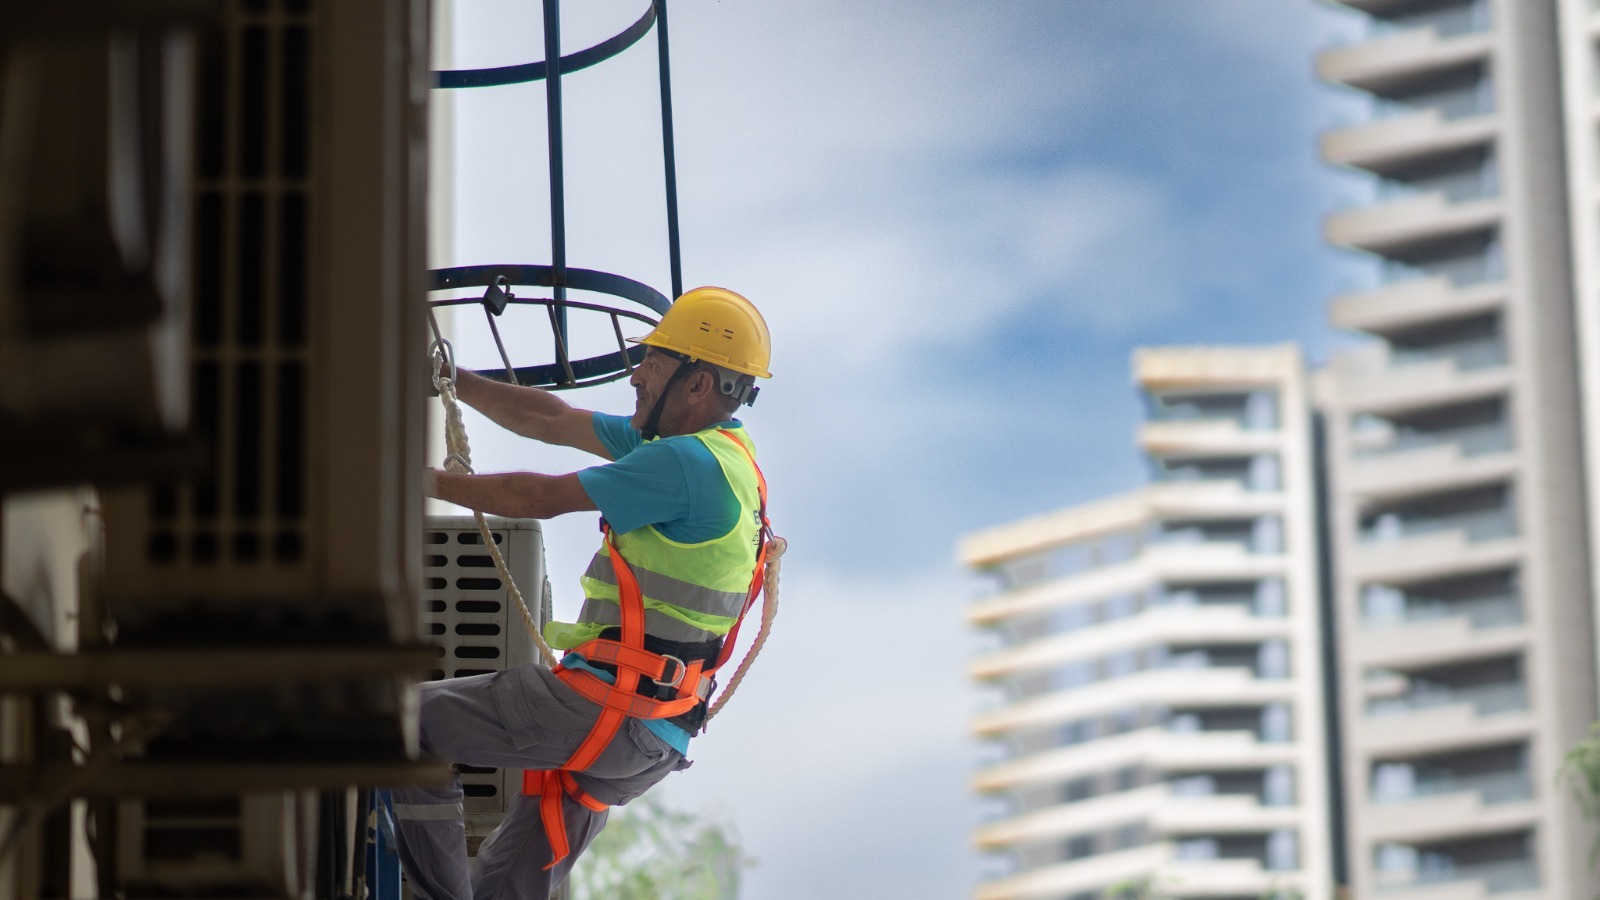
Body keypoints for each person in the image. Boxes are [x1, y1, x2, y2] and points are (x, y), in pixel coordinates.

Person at [392, 286, 774, 900]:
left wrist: (410, 479)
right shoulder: (722, 459)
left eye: (652, 360)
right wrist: (452, 378)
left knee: (411, 725)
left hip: (609, 708)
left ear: (698, 384)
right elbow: (552, 421)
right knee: (504, 890)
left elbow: (538, 498)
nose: (635, 375)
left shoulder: (684, 466)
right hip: (653, 734)